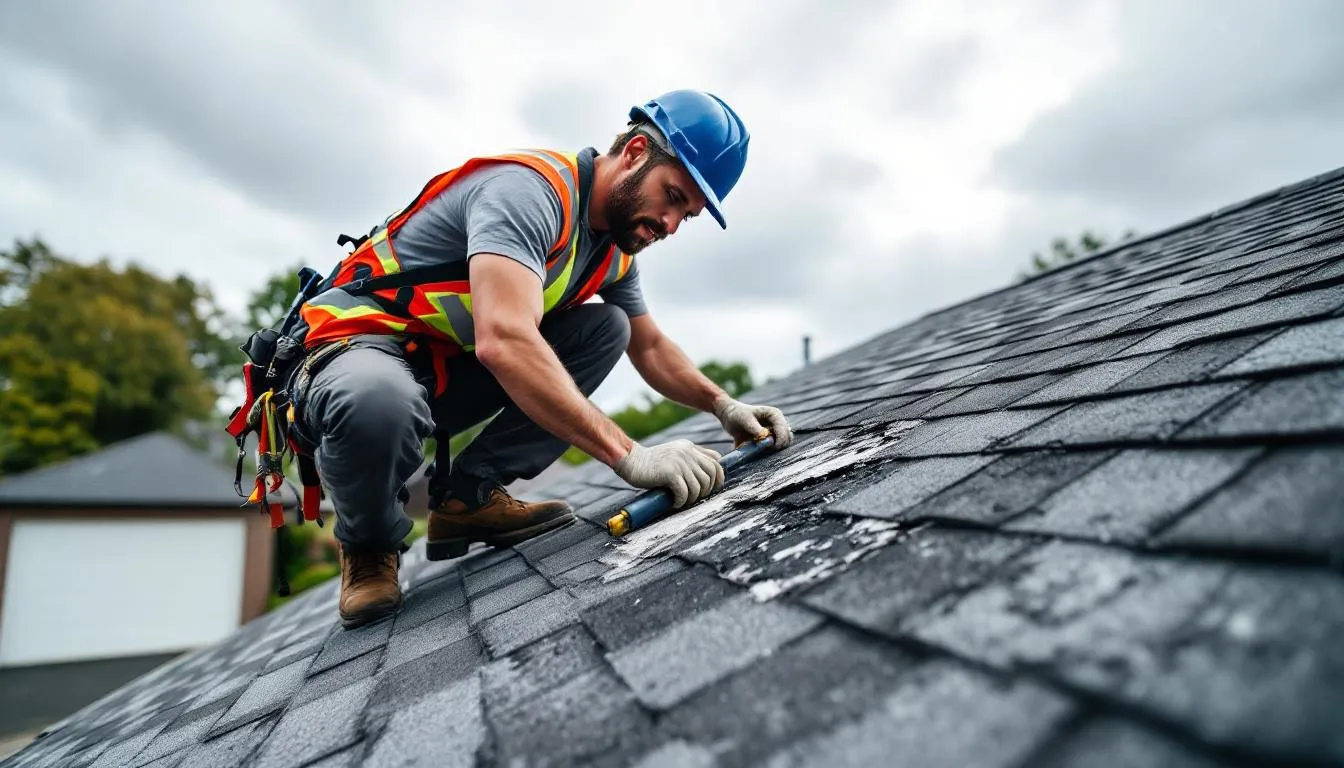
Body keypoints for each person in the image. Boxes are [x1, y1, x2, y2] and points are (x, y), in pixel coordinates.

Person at [284, 89, 794, 629]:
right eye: (672, 197)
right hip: (353, 356)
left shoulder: (614, 250)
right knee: (379, 399)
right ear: (637, 151)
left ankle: (467, 499)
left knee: (608, 328)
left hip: (437, 370)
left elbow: (649, 346)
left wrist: (724, 405)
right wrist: (630, 455)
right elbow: (504, 340)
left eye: (685, 216)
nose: (669, 224)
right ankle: (367, 546)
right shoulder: (529, 193)